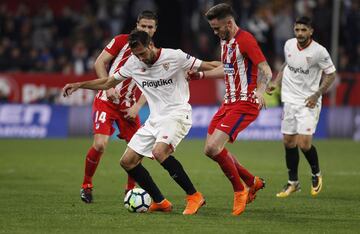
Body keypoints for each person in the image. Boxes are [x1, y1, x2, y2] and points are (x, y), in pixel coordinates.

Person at [63, 30, 221, 215]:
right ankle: (161, 202)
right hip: (155, 118)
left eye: (143, 53)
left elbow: (210, 65)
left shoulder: (175, 56)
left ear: (151, 45)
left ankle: (194, 196)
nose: (141, 58)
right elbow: (107, 83)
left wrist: (234, 69)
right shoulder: (133, 63)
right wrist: (79, 85)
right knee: (127, 161)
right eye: (137, 55)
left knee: (159, 152)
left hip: (177, 114)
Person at [187, 3, 272, 216]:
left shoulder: (246, 40)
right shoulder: (225, 41)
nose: (215, 32)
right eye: (213, 29)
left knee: (214, 147)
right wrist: (201, 75)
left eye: (217, 28)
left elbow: (266, 70)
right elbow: (226, 69)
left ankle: (239, 190)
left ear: (229, 23)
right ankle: (252, 181)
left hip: (245, 103)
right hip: (228, 103)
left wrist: (260, 91)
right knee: (210, 149)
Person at [80, 10, 158, 203]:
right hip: (106, 101)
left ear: (155, 29)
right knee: (100, 144)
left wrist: (137, 107)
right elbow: (100, 63)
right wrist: (108, 87)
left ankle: (130, 191)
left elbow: (152, 85)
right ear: (137, 25)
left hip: (129, 107)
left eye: (150, 27)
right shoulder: (121, 40)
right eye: (143, 26)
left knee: (136, 152)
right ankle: (86, 186)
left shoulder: (155, 52)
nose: (146, 29)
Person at [267, 16, 336, 198]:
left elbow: (331, 74)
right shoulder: (289, 44)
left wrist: (316, 94)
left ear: (311, 31)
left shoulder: (319, 51)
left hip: (308, 101)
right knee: (288, 142)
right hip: (289, 100)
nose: (299, 33)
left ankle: (316, 174)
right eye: (297, 30)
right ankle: (293, 183)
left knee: (303, 143)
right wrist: (276, 82)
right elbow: (286, 65)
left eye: (303, 30)